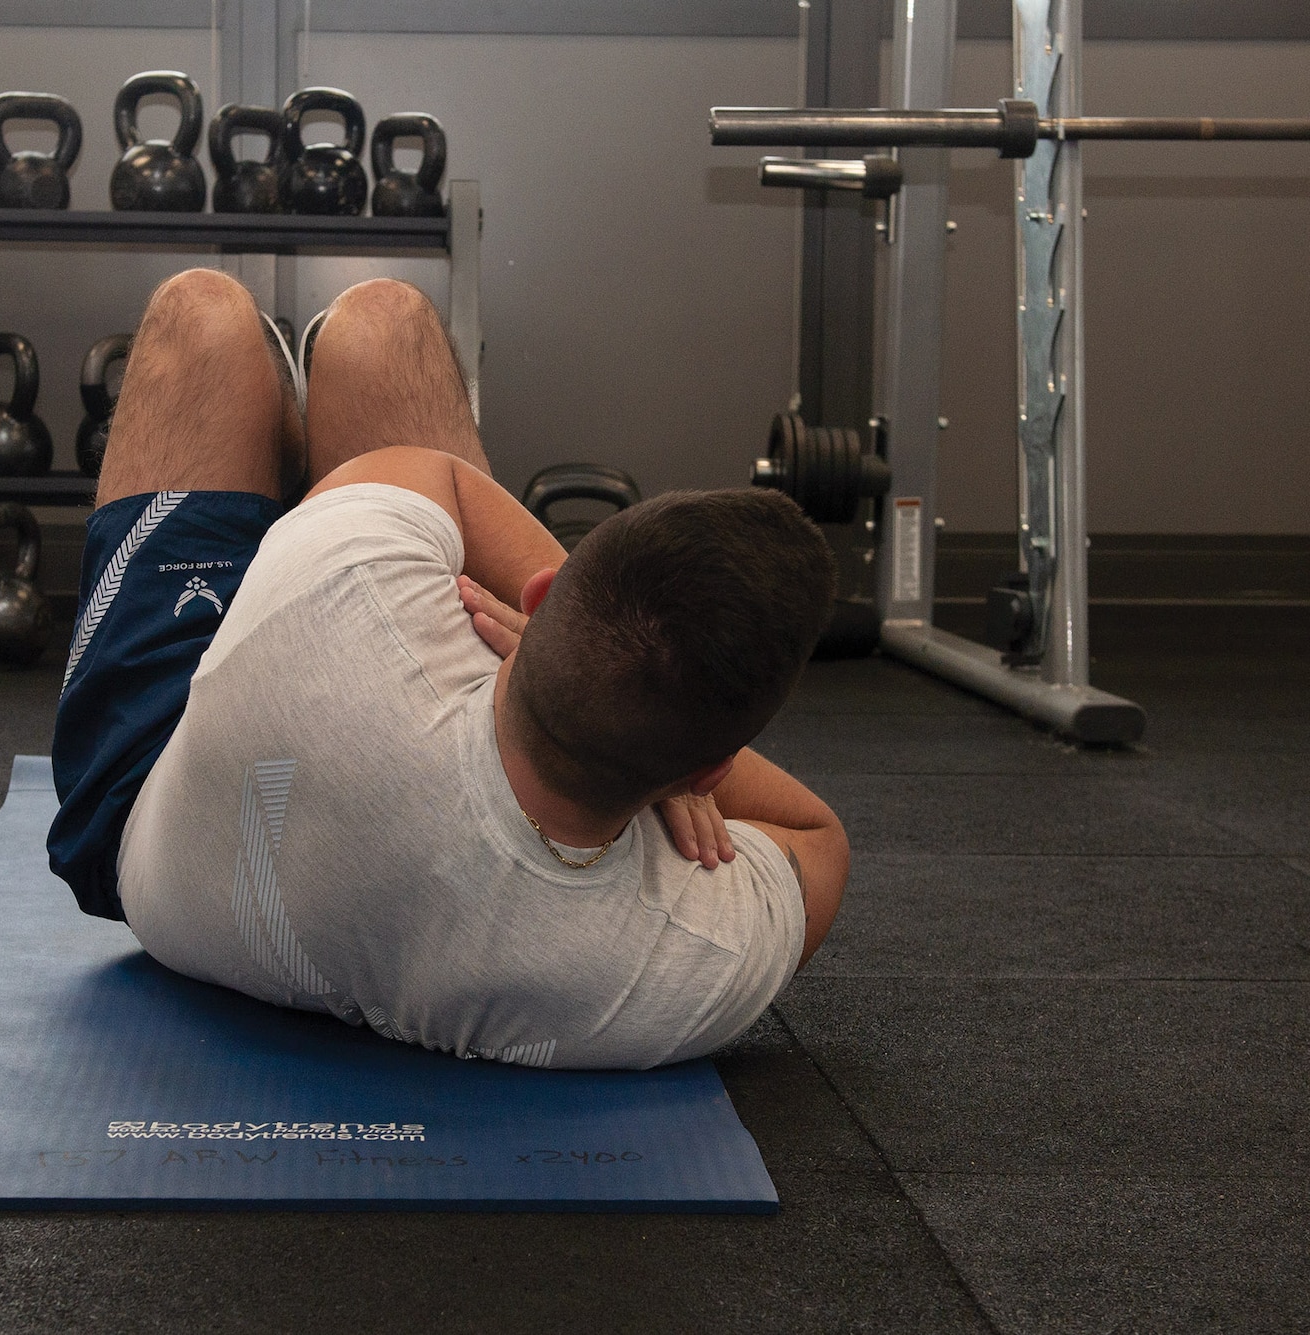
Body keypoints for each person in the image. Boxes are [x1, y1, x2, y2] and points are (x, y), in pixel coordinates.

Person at [47, 267, 848, 1070]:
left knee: (252, 315)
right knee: (383, 329)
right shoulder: (682, 959)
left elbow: (439, 479)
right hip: (299, 718)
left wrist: (569, 640)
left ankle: (286, 452)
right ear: (714, 768)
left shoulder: (352, 580)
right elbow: (820, 839)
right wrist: (661, 753)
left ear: (538, 592)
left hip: (156, 799)